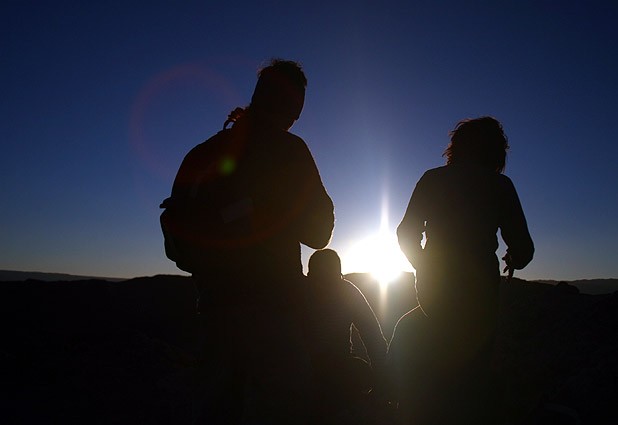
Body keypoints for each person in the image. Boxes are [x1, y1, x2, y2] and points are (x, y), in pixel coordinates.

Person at [167, 59, 334, 424]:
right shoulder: (290, 151)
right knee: (284, 405)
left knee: (215, 407)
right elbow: (320, 235)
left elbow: (177, 245)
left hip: (213, 308)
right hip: (274, 308)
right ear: (294, 106)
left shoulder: (204, 151)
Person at [389, 116, 534, 424]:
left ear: (456, 146)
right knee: (471, 373)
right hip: (479, 292)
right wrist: (514, 258)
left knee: (432, 359)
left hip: (434, 290)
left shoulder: (432, 179)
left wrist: (424, 265)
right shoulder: (500, 185)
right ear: (497, 151)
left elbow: (406, 232)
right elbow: (523, 248)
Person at [304, 249, 387, 425]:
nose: (324, 287)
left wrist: (381, 382)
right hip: (310, 370)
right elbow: (374, 336)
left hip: (329, 369)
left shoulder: (344, 292)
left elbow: (373, 336)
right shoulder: (345, 291)